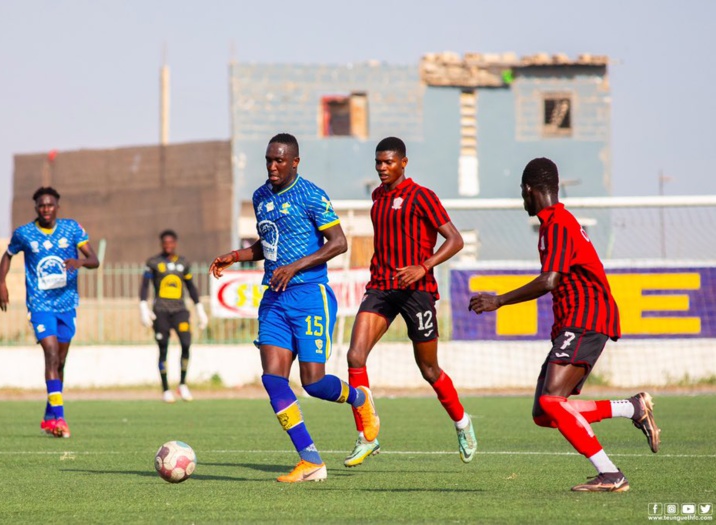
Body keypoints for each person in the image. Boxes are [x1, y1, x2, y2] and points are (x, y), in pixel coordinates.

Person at [468, 157, 660, 492]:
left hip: (588, 317)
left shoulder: (557, 224)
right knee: (544, 413)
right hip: (578, 320)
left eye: (522, 192)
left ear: (529, 190)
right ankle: (631, 407)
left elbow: (550, 280)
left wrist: (498, 300)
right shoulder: (554, 223)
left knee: (550, 402)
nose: (522, 199)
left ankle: (611, 474)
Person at [209, 133, 379, 483]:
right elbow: (268, 242)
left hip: (309, 296)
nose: (273, 166)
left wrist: (296, 266)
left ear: (295, 162)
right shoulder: (260, 197)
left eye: (280, 160)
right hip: (273, 297)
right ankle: (310, 460)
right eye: (269, 159)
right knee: (273, 380)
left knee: (313, 383)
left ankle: (360, 398)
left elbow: (339, 243)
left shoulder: (311, 195)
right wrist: (237, 255)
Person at [344, 136, 477, 468]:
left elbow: (455, 240)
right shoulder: (377, 196)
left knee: (428, 369)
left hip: (417, 291)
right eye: (378, 162)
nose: (382, 168)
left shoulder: (422, 196)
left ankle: (462, 422)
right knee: (355, 355)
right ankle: (367, 435)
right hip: (381, 287)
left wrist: (423, 266)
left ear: (404, 162)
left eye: (388, 162)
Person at [0, 186, 100, 438]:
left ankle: (48, 416)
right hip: (40, 305)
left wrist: (80, 262)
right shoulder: (24, 233)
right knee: (51, 354)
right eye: (41, 205)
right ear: (36, 208)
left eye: (50, 205)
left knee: (61, 361)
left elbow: (95, 260)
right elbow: (7, 255)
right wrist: (2, 284)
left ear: (57, 206)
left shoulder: (72, 229)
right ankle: (60, 419)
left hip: (67, 304)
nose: (46, 209)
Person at [139, 229, 208, 403]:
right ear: (161, 244)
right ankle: (165, 389)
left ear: (175, 243)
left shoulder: (183, 263)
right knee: (163, 347)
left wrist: (199, 308)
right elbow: (145, 286)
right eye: (165, 243)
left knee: (186, 343)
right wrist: (143, 307)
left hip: (180, 310)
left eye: (171, 243)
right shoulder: (153, 262)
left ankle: (183, 384)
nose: (168, 246)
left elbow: (191, 286)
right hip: (161, 311)